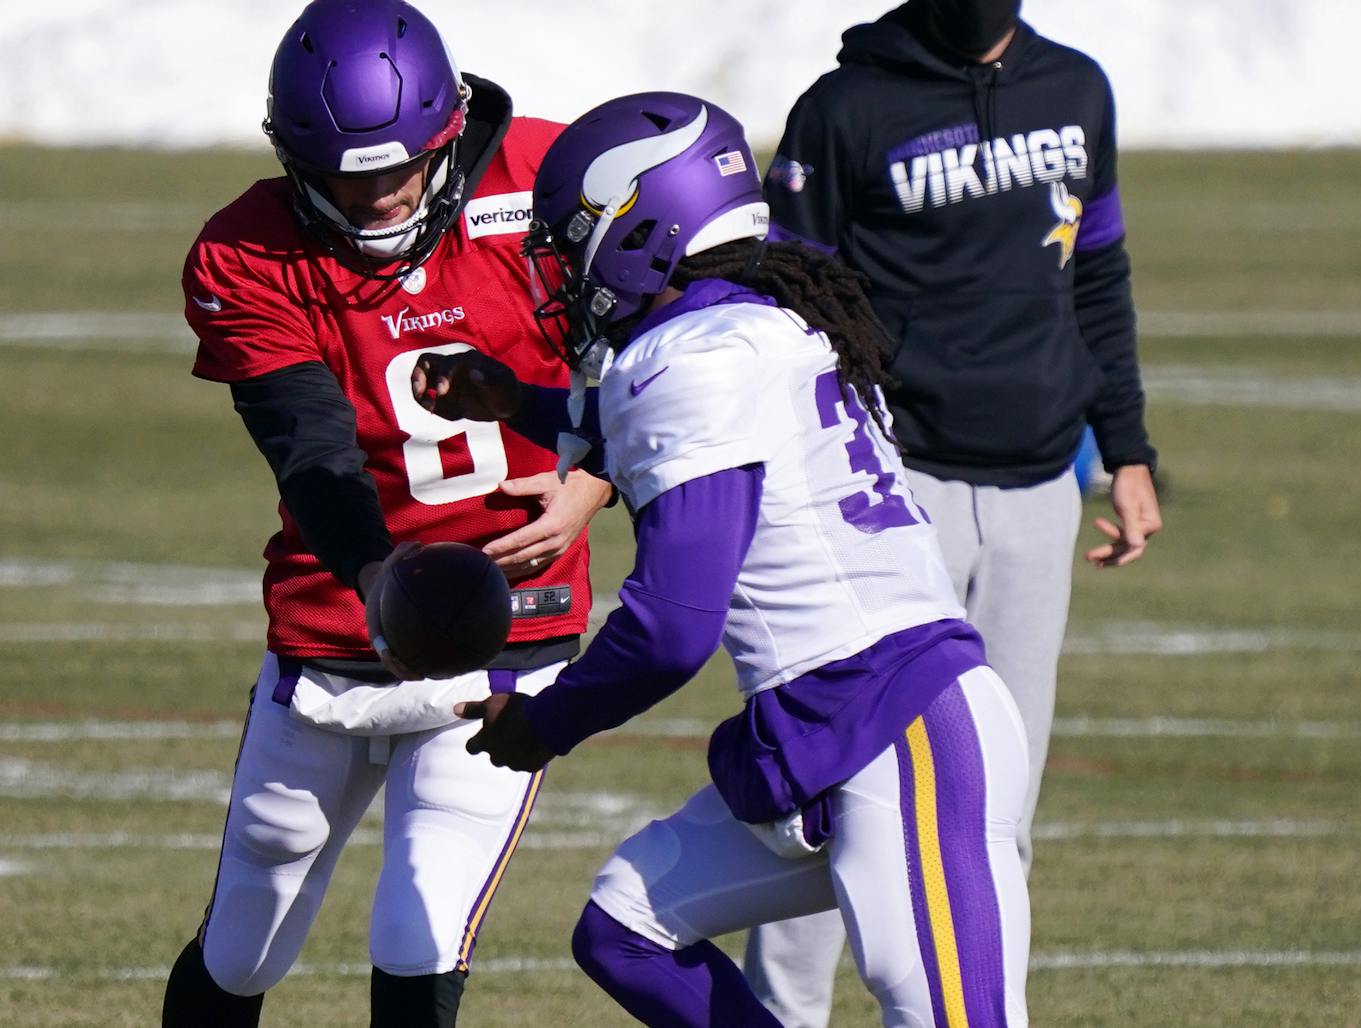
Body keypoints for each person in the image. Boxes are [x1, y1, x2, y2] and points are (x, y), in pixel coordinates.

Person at [416, 91, 1032, 1028]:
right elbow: (634, 431)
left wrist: (546, 722)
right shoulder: (753, 325)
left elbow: (671, 628)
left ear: (643, 227)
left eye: (573, 237)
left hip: (897, 717)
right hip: (823, 711)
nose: (562, 270)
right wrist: (512, 399)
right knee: (625, 926)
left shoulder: (694, 357)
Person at [160, 3, 610, 1026]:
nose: (379, 197)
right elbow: (308, 441)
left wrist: (599, 477)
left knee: (419, 931)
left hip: (508, 626)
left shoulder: (545, 179)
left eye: (399, 168)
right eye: (349, 177)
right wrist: (377, 576)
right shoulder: (247, 249)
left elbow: (675, 347)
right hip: (333, 622)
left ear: (449, 128)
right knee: (242, 943)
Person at [745, 1, 1164, 1023]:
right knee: (839, 789)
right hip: (893, 491)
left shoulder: (1074, 87)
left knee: (996, 808)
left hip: (1036, 488)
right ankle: (777, 1012)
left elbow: (1095, 274)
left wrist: (1126, 450)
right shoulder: (845, 107)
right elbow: (782, 296)